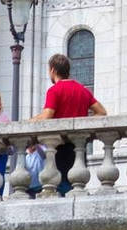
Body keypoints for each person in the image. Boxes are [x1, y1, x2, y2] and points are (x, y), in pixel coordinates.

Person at [33, 53, 106, 193]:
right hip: (79, 146)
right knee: (76, 186)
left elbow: (48, 115)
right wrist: (82, 121)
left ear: (53, 70)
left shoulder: (54, 91)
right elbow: (102, 112)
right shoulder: (83, 90)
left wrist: (30, 122)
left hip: (59, 147)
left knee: (59, 187)